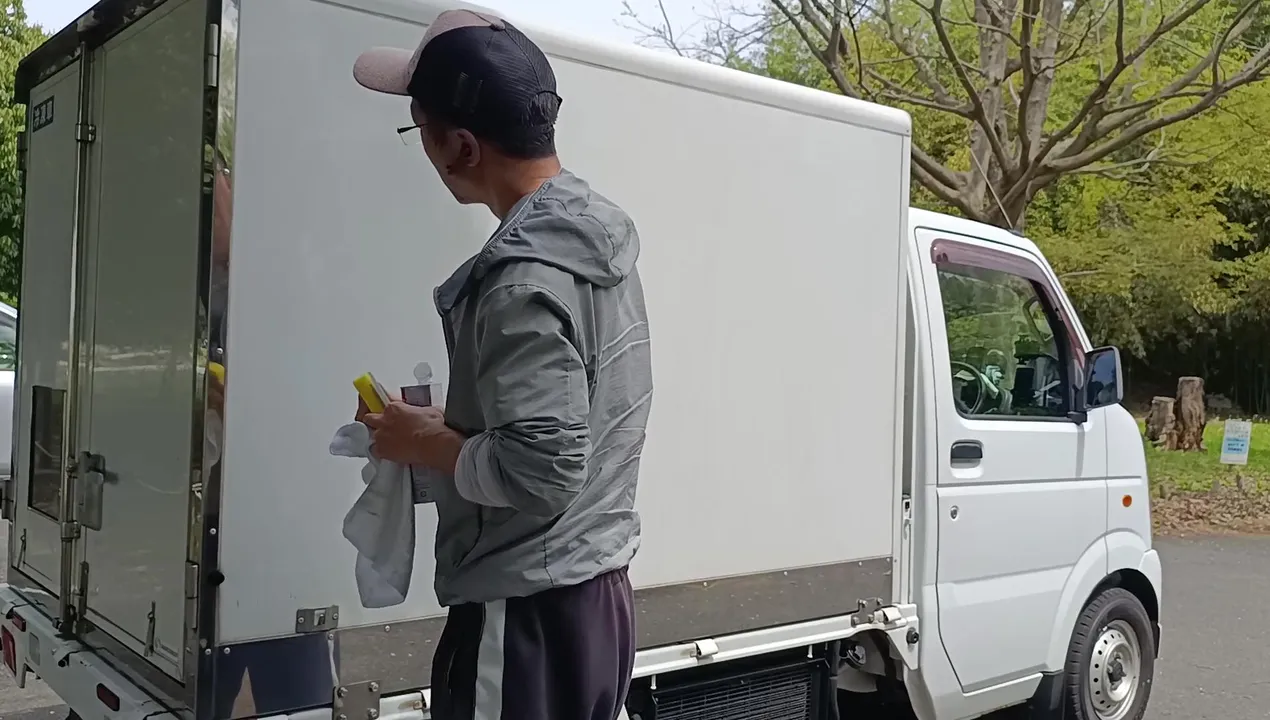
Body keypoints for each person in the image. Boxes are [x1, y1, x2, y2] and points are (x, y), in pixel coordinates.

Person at [350, 9, 654, 720]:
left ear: (461, 146)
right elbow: (576, 422)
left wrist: (425, 443)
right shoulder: (593, 238)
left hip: (525, 616)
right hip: (592, 593)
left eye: (420, 129)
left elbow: (542, 471)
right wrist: (444, 425)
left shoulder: (522, 281)